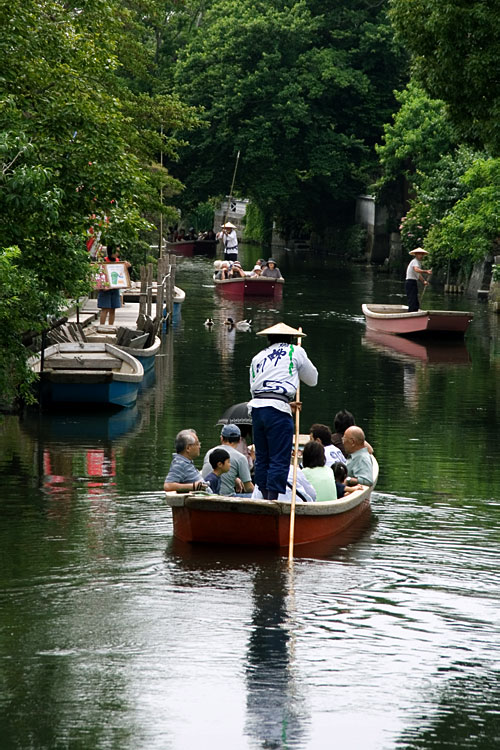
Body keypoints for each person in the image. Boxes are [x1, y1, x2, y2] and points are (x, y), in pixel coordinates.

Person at [249, 322, 318, 501]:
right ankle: (272, 500)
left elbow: (254, 387)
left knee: (263, 457)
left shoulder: (258, 356)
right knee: (279, 458)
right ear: (290, 339)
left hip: (257, 408)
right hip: (278, 409)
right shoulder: (296, 351)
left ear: (269, 339)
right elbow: (313, 380)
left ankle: (264, 497)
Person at [202, 424, 254, 495]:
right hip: (226, 497)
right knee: (255, 495)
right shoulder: (240, 457)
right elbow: (248, 488)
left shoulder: (209, 452)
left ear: (221, 438)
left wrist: (235, 479)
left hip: (206, 494)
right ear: (239, 440)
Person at [251, 459, 316, 503]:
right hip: (298, 512)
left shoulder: (263, 473)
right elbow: (312, 494)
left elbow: (255, 500)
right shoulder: (295, 471)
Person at [97, 244, 131, 326]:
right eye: (117, 251)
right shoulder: (103, 261)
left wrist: (128, 268)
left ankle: (110, 326)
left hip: (115, 289)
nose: (118, 253)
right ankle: (102, 326)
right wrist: (102, 286)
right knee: (105, 309)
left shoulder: (119, 261)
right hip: (105, 289)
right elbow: (98, 275)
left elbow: (124, 275)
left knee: (113, 309)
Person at [405, 248, 432, 312]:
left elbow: (418, 274)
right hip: (410, 282)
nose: (421, 256)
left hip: (413, 282)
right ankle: (410, 314)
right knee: (412, 300)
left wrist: (423, 281)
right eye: (420, 254)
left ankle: (415, 312)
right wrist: (426, 271)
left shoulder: (418, 262)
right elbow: (416, 270)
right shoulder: (415, 261)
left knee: (415, 301)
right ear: (416, 254)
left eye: (422, 254)